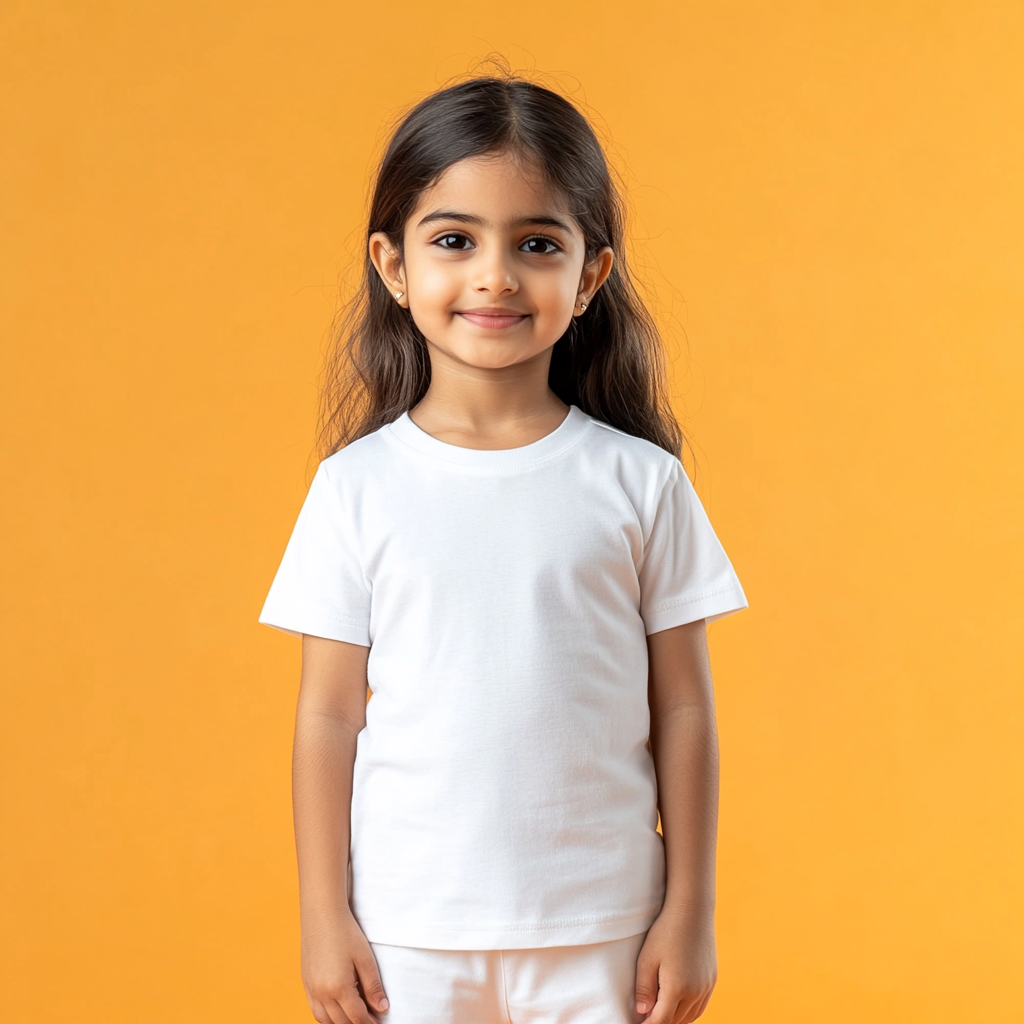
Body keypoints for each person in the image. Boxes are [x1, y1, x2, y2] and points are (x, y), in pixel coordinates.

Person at [259, 73, 747, 1024]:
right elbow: (327, 717)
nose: (494, 275)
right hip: (407, 932)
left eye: (536, 244)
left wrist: (691, 908)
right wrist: (325, 915)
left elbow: (683, 704)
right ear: (393, 267)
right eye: (454, 241)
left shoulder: (639, 483)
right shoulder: (354, 489)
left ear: (590, 274)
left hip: (604, 927)